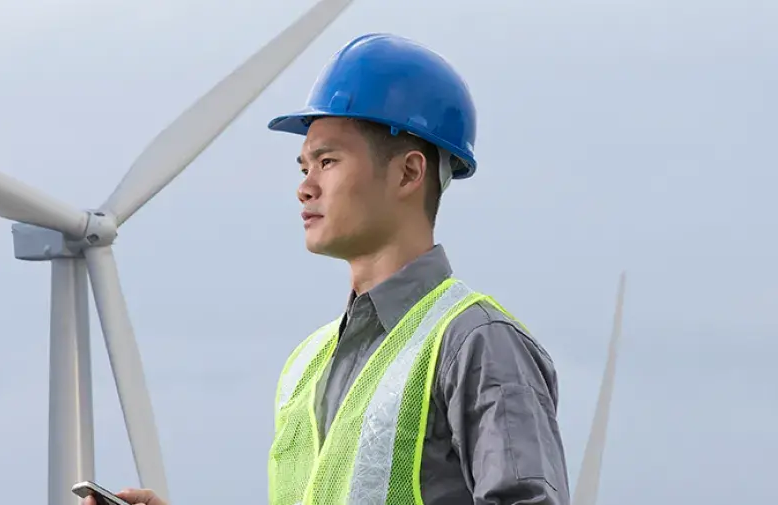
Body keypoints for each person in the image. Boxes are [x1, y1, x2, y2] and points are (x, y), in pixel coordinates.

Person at [88, 34, 570, 505]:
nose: (305, 187)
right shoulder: (305, 366)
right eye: (304, 167)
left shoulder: (477, 344)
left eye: (328, 161)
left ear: (408, 172)